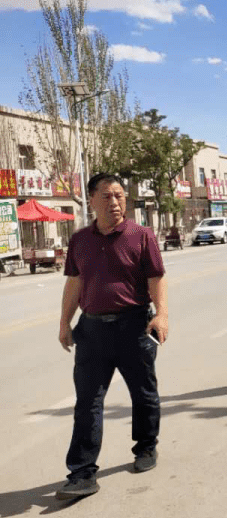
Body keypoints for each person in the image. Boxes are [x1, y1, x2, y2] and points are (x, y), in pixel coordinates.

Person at [56, 173, 169, 500]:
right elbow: (74, 283)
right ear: (91, 200)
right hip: (91, 332)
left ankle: (146, 447)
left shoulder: (141, 235)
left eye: (119, 196)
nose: (115, 202)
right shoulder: (80, 240)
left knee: (144, 392)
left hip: (134, 327)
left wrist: (162, 314)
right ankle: (82, 473)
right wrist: (65, 322)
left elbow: (156, 278)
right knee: (87, 403)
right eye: (107, 196)